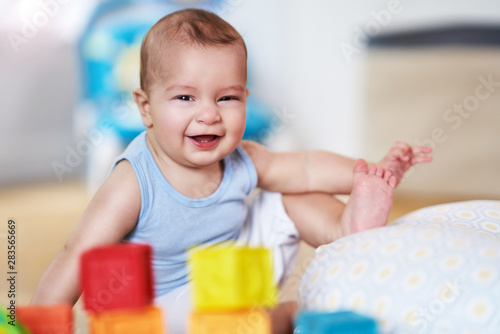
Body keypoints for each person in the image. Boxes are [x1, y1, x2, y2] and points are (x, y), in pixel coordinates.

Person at [31, 8, 432, 334]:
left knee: (283, 187)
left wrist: (367, 172)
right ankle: (283, 318)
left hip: (240, 272)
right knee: (228, 322)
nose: (209, 114)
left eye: (226, 98)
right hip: (163, 305)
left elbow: (306, 168)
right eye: (185, 97)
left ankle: (345, 226)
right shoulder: (134, 180)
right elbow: (78, 251)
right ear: (146, 107)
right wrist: (42, 320)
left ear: (245, 98)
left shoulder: (244, 157)